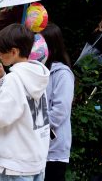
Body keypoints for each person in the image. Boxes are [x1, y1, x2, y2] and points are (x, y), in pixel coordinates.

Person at [0, 23, 50, 181]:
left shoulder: (15, 79)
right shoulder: (36, 75)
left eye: (0, 50)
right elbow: (20, 104)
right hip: (36, 159)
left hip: (16, 164)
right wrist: (1, 78)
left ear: (13, 51)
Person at [41, 23, 74, 181]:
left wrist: (36, 127)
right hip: (35, 147)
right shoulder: (36, 71)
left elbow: (60, 112)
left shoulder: (62, 73)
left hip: (53, 149)